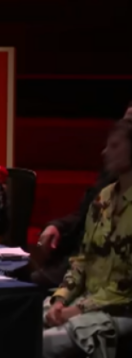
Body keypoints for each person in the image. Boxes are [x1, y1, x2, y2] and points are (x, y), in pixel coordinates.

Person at [42, 119, 132, 358]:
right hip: (85, 299)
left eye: (115, 145)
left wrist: (75, 310)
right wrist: (61, 298)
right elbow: (82, 259)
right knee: (22, 322)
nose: (105, 152)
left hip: (121, 308)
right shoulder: (103, 198)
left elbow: (126, 286)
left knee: (42, 343)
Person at [33, 100, 132, 287]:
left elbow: (118, 280)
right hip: (80, 267)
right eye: (124, 122)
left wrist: (78, 308)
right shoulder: (107, 188)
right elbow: (82, 218)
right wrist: (57, 226)